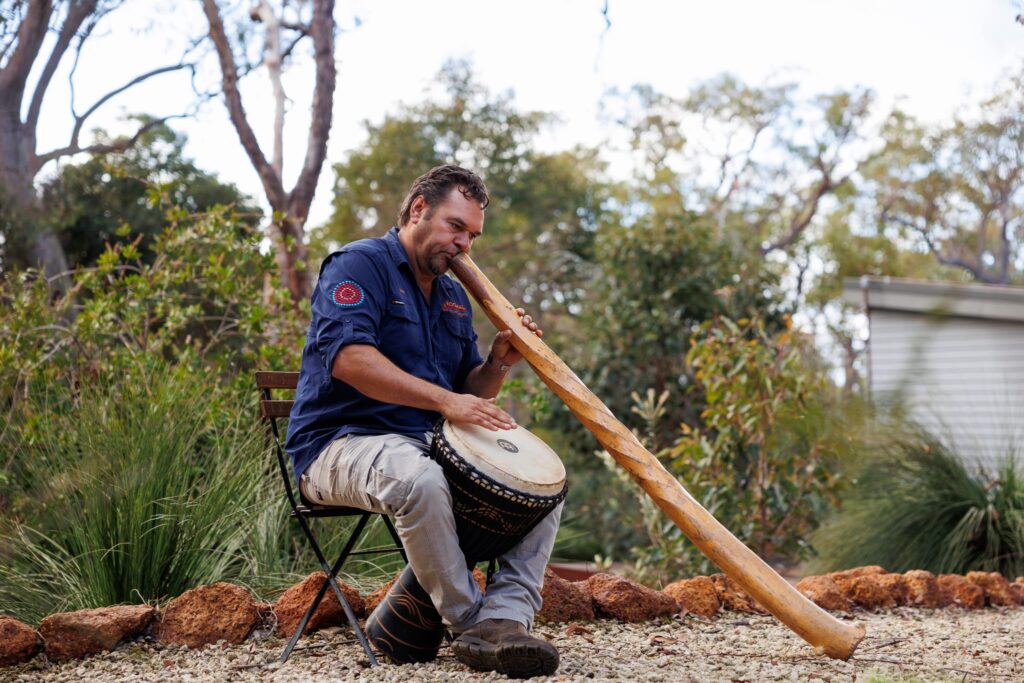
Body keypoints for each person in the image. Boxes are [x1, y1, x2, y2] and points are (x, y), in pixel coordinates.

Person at [285, 165, 562, 677]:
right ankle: (473, 625)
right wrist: (445, 402)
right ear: (418, 210)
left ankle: (507, 617)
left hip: (421, 445)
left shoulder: (454, 296)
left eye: (472, 235)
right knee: (419, 478)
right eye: (456, 227)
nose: (464, 246)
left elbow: (467, 391)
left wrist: (499, 361)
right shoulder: (358, 265)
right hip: (337, 446)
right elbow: (349, 360)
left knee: (539, 487)